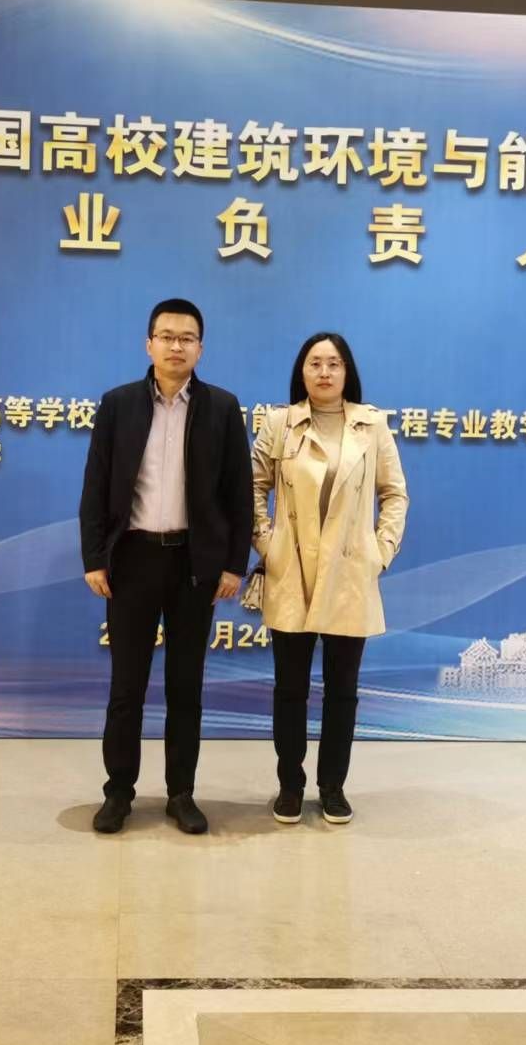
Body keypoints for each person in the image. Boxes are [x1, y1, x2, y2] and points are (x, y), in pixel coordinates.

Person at [79, 299, 253, 835]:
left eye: (187, 338)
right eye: (167, 336)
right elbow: (95, 485)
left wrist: (233, 564)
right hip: (132, 560)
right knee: (126, 687)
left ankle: (181, 793)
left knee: (185, 686)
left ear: (200, 348)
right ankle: (119, 792)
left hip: (193, 566)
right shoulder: (118, 405)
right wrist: (94, 557)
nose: (177, 346)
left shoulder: (222, 408)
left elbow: (239, 494)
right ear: (149, 344)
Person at [250, 332, 408, 826]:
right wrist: (267, 543)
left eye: (333, 363)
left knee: (342, 690)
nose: (324, 372)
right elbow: (252, 487)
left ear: (347, 371)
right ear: (301, 371)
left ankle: (333, 787)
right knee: (290, 689)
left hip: (349, 574)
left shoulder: (372, 425)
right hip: (292, 570)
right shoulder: (279, 423)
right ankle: (290, 786)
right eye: (315, 363)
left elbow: (394, 494)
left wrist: (379, 552)